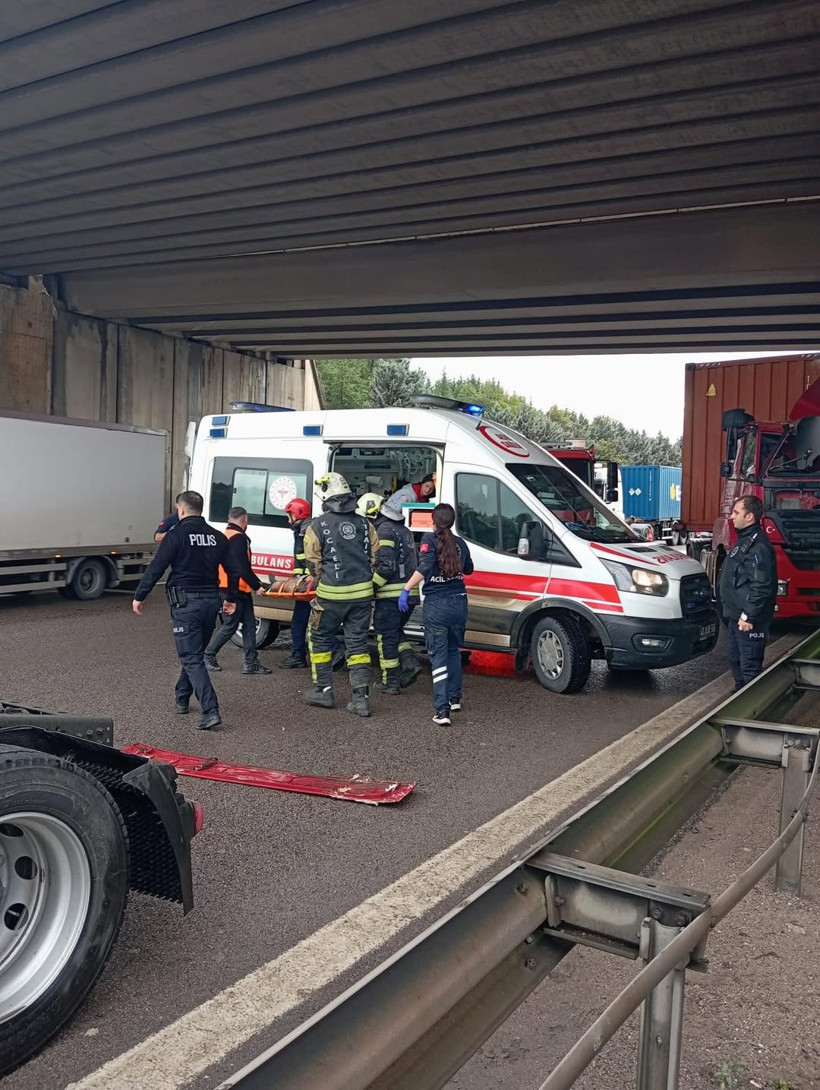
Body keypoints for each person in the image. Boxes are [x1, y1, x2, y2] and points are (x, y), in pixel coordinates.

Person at [133, 491, 239, 730]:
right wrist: (230, 598)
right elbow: (234, 570)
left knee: (191, 657)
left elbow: (157, 567)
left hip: (185, 604)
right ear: (200, 509)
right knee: (194, 653)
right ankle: (182, 697)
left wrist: (140, 596)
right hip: (211, 603)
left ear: (180, 510)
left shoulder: (176, 535)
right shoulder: (217, 537)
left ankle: (210, 710)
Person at [302, 473, 380, 717]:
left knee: (320, 638)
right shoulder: (366, 524)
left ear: (326, 498)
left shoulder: (317, 525)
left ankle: (323, 690)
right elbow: (375, 558)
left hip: (330, 596)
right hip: (362, 596)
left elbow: (313, 563)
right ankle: (361, 699)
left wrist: (323, 579)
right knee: (357, 644)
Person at [399, 502, 473, 726]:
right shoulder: (460, 543)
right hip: (459, 604)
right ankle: (454, 698)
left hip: (438, 606)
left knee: (438, 656)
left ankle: (442, 711)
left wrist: (405, 589)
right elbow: (468, 569)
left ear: (433, 521)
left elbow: (425, 567)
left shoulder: (429, 541)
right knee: (453, 651)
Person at [203, 506, 271, 676]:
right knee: (231, 625)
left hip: (232, 587)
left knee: (249, 625)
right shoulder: (239, 538)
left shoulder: (225, 536)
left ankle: (251, 663)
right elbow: (241, 567)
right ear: (245, 520)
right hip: (233, 590)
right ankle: (208, 655)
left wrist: (254, 584)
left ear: (229, 519)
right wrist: (257, 586)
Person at [718, 495, 777, 691]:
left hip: (748, 621)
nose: (732, 517)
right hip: (737, 618)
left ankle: (750, 711)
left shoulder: (758, 546)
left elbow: (761, 585)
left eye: (736, 512)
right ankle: (739, 703)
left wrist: (748, 615)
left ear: (750, 516)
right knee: (736, 660)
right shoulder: (744, 541)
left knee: (749, 666)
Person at [371, 492, 422, 693]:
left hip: (391, 596)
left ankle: (390, 682)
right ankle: (410, 664)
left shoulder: (384, 530)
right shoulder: (405, 530)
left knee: (386, 637)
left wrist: (371, 587)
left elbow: (386, 567)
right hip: (409, 596)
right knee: (396, 632)